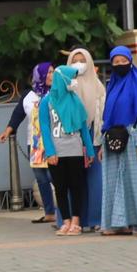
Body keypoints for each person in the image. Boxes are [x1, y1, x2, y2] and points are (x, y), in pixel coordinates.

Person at [100, 46, 137, 236]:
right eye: (115, 62)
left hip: (135, 138)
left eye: (123, 61)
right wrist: (103, 142)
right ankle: (120, 223)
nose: (120, 65)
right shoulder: (112, 85)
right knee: (116, 181)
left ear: (130, 61)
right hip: (115, 139)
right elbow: (107, 116)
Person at [39, 65, 97, 236]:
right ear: (61, 79)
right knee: (60, 188)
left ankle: (77, 221)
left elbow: (83, 128)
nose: (73, 82)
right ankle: (65, 220)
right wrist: (50, 152)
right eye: (70, 78)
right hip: (56, 152)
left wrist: (90, 151)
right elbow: (44, 127)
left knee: (76, 186)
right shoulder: (46, 102)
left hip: (75, 150)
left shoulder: (75, 101)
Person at [0, 62, 60, 225]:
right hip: (35, 144)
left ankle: (67, 211)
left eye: (53, 72)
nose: (51, 75)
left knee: (55, 176)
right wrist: (8, 131)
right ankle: (49, 213)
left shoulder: (58, 93)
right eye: (47, 73)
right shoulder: (29, 96)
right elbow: (17, 115)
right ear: (38, 76)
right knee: (41, 179)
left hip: (55, 142)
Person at [68, 47, 106, 231]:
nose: (79, 64)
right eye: (75, 60)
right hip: (70, 135)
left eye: (83, 60)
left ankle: (96, 218)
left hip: (93, 134)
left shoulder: (98, 85)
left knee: (95, 178)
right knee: (73, 178)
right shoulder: (66, 84)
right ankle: (73, 220)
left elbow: (102, 113)